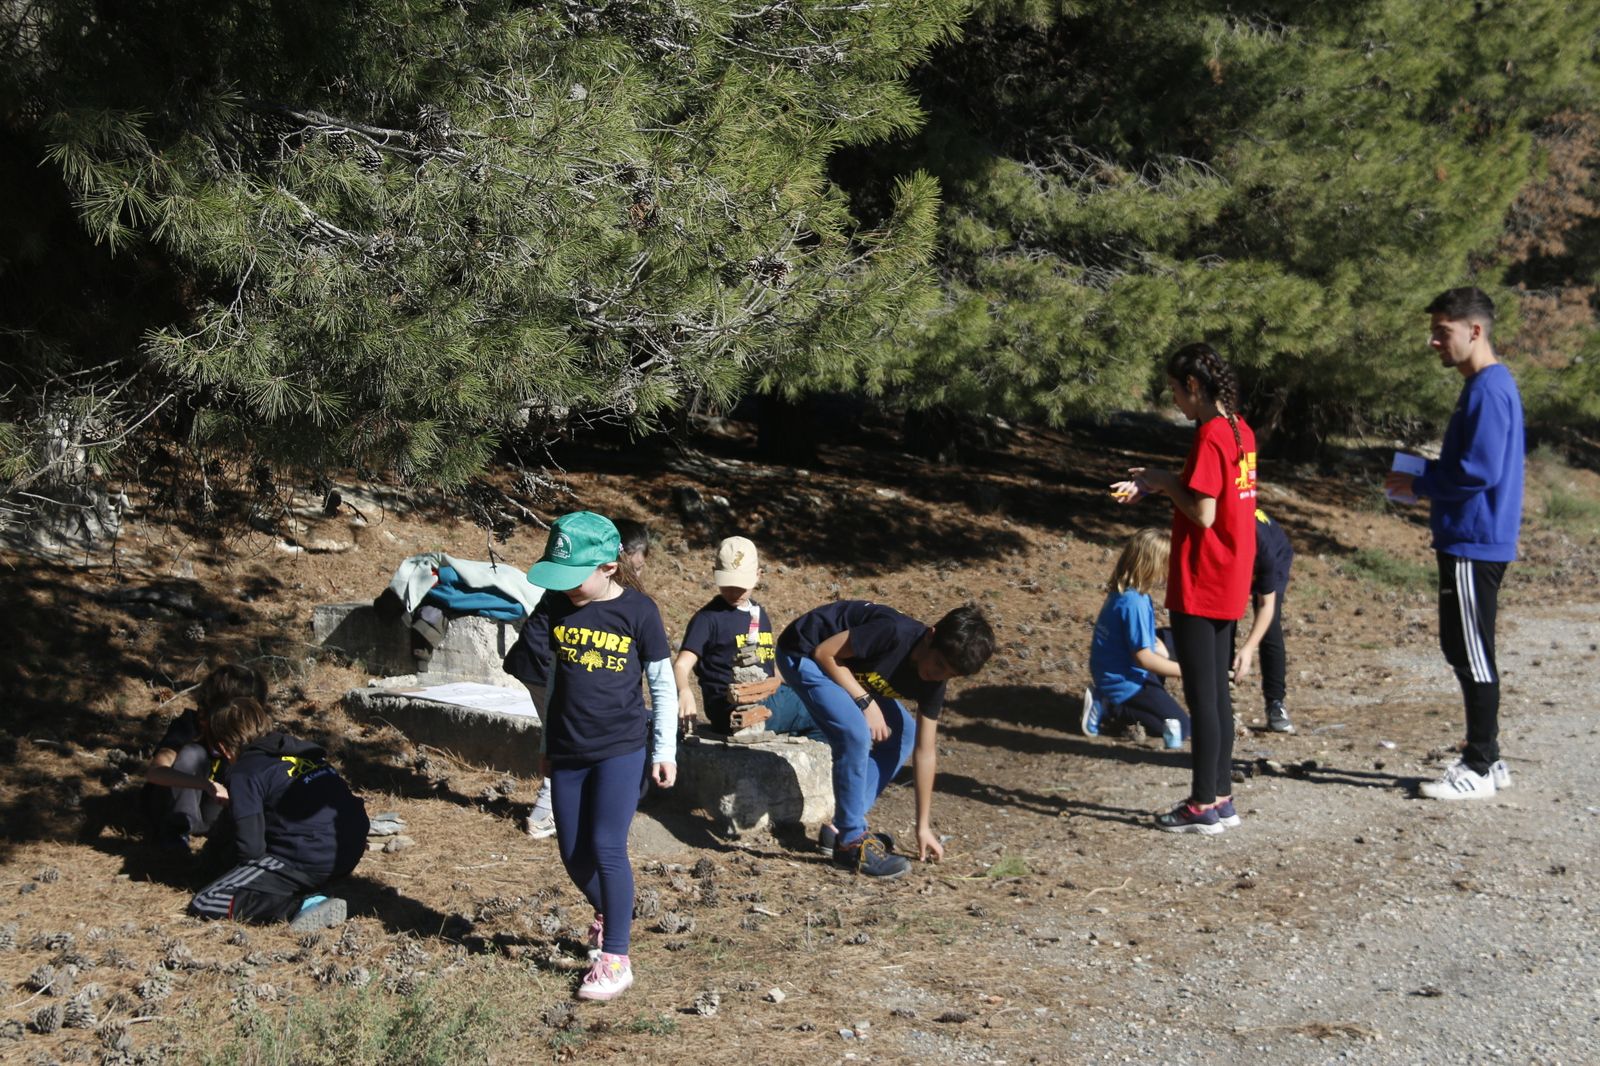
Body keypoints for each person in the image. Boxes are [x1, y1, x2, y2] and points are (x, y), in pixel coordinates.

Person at [503, 511, 678, 1000]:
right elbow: (550, 683)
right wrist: (546, 747)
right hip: (567, 751)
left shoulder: (639, 612)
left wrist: (664, 750)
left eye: (572, 576)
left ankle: (616, 958)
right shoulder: (554, 605)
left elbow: (662, 686)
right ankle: (611, 913)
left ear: (607, 567)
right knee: (573, 854)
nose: (565, 587)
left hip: (621, 749)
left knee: (605, 846)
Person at [1384, 286, 1524, 800]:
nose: (1433, 342)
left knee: (1471, 651)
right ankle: (1492, 756)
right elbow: (1473, 466)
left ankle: (1481, 764)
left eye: (1442, 332)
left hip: (1473, 540)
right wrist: (1423, 474)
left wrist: (1419, 484)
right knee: (1464, 645)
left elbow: (1480, 472)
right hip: (1472, 537)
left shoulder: (1489, 389)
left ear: (1475, 330)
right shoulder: (1487, 386)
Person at [1114, 342, 1257, 834]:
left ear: (1193, 387)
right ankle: (1221, 796)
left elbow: (1203, 511)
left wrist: (1161, 480)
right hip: (1231, 579)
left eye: (1175, 390)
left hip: (1202, 580)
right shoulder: (1241, 430)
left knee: (1203, 696)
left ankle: (1200, 805)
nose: (1174, 400)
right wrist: (1165, 483)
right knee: (1217, 693)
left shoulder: (1210, 437)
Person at [775, 601, 994, 878]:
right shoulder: (893, 633)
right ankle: (851, 843)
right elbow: (825, 652)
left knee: (906, 734)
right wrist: (865, 702)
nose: (937, 675)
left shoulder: (935, 679)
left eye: (949, 674)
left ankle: (842, 828)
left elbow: (925, 751)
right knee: (855, 732)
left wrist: (922, 826)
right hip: (805, 653)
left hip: (846, 669)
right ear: (930, 635)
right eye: (938, 664)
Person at [188, 697, 369, 930]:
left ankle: (301, 905)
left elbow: (250, 850)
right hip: (349, 850)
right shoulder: (298, 749)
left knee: (208, 899)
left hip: (311, 855)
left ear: (223, 747)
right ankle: (310, 885)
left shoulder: (245, 771)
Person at [525, 517, 653, 839]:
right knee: (565, 737)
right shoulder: (570, 595)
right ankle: (547, 809)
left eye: (640, 568)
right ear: (615, 561)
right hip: (542, 664)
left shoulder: (617, 601)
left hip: (559, 664)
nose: (636, 574)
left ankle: (591, 802)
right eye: (633, 567)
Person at [674, 535, 822, 738]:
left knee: (823, 700)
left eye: (741, 585)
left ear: (759, 575)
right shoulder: (707, 619)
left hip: (767, 695)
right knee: (821, 712)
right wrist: (684, 691)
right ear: (715, 574)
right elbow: (682, 665)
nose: (735, 592)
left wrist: (803, 682)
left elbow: (767, 666)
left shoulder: (760, 614)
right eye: (728, 584)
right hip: (729, 706)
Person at [1083, 528, 1189, 750]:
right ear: (1152, 564)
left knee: (1172, 640)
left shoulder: (1129, 592)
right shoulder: (1135, 603)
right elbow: (1144, 658)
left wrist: (1167, 653)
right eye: (1167, 565)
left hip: (1117, 669)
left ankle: (1132, 700)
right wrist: (1188, 673)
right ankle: (1111, 707)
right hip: (1125, 682)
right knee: (1182, 726)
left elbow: (1148, 641)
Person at [141, 664, 266, 851]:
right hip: (175, 807)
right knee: (192, 755)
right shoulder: (190, 726)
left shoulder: (245, 734)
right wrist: (205, 784)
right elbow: (155, 773)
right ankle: (175, 833)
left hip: (213, 813)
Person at [1232, 509, 1296, 734]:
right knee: (1226, 613)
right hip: (1235, 556)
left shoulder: (1265, 550)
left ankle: (1275, 704)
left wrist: (1248, 649)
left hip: (1274, 554)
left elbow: (1265, 607)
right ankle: (1220, 697)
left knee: (1269, 628)